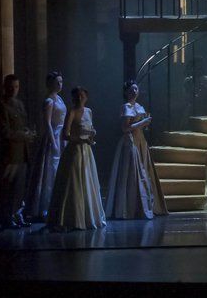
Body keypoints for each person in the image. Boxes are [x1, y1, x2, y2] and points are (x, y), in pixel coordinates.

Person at [47, 87, 106, 231]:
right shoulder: (72, 112)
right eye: (77, 96)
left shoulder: (89, 111)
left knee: (87, 182)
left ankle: (87, 216)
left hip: (86, 151)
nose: (80, 98)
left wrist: (91, 135)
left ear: (86, 97)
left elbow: (90, 129)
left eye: (82, 96)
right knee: (73, 183)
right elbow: (65, 135)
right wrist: (80, 139)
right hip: (75, 151)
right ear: (73, 98)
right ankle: (71, 217)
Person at [106, 81, 167, 219]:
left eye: (136, 89)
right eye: (131, 90)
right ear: (126, 92)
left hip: (141, 141)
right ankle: (129, 207)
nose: (134, 92)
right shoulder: (126, 107)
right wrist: (142, 122)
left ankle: (145, 205)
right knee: (132, 173)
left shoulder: (139, 106)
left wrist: (145, 123)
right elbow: (125, 128)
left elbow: (142, 125)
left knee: (144, 172)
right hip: (130, 141)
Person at [25, 71, 66, 222]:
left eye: (61, 82)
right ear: (50, 84)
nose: (60, 85)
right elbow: (47, 123)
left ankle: (57, 205)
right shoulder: (49, 100)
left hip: (61, 135)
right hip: (53, 136)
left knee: (58, 169)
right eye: (57, 82)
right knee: (50, 170)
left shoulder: (59, 99)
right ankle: (45, 208)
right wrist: (53, 141)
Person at [0, 75, 36, 228]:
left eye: (16, 87)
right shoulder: (2, 106)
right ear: (5, 87)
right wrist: (23, 135)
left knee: (20, 187)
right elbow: (5, 131)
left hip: (23, 152)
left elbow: (21, 125)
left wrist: (28, 133)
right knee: (10, 187)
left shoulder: (19, 104)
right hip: (11, 153)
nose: (14, 90)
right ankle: (7, 217)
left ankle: (17, 214)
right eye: (11, 87)